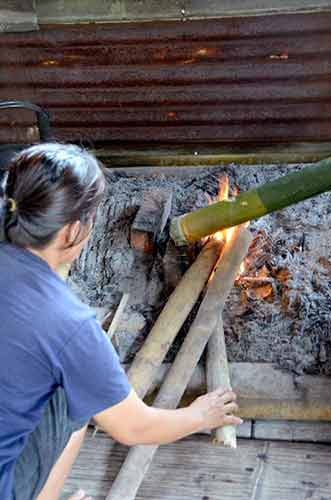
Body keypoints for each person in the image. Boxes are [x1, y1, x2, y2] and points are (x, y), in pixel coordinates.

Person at [0, 143, 242, 500]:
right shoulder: (70, 325)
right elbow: (134, 426)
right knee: (73, 395)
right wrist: (200, 416)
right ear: (71, 232)